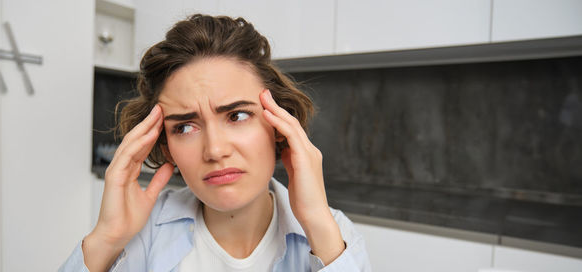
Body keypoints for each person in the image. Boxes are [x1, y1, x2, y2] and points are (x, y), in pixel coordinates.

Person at [60, 14, 371, 272]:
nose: (215, 150)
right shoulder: (143, 235)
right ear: (166, 145)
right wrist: (107, 238)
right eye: (184, 126)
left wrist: (317, 225)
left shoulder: (333, 234)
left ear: (279, 124)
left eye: (236, 116)